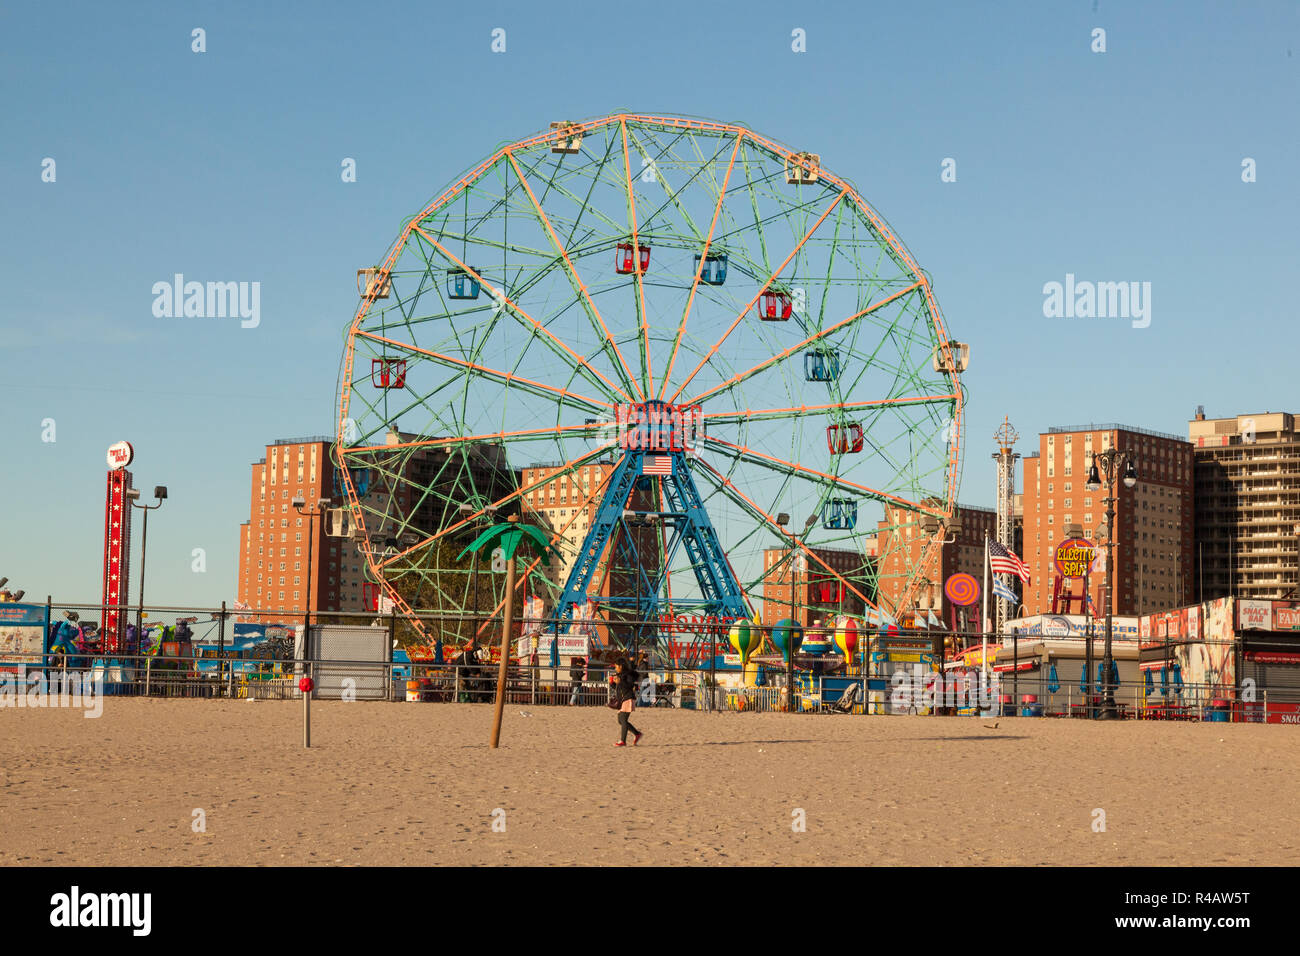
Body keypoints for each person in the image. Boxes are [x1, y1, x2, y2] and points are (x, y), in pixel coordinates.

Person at [610, 657, 643, 747]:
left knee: (623, 719)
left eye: (616, 666)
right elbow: (619, 688)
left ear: (621, 666)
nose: (615, 668)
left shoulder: (628, 674)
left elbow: (629, 685)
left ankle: (623, 741)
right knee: (620, 720)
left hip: (628, 698)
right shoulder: (620, 674)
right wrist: (612, 683)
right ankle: (637, 733)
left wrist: (620, 682)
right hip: (623, 699)